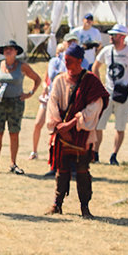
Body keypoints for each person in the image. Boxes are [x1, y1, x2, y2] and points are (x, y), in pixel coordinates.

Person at [44, 44, 109, 218]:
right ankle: (57, 204)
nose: (66, 64)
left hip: (82, 135)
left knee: (82, 170)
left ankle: (85, 207)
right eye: (65, 60)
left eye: (70, 61)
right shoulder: (59, 80)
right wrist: (59, 126)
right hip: (62, 136)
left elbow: (95, 106)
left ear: (80, 61)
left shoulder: (91, 81)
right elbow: (53, 103)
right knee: (62, 169)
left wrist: (71, 125)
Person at [0, 39, 41, 174]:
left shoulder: (22, 66)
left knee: (14, 133)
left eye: (11, 49)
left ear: (16, 51)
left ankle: (13, 163)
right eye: (6, 49)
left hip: (16, 103)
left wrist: (29, 93)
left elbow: (37, 79)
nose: (8, 51)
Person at [92, 23, 128, 166]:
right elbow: (96, 66)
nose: (110, 37)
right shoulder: (107, 50)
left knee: (120, 127)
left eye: (113, 35)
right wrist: (99, 85)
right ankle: (95, 153)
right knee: (99, 125)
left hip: (123, 93)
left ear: (121, 37)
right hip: (107, 92)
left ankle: (114, 155)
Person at [30, 32, 79, 165]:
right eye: (69, 42)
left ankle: (55, 154)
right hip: (49, 97)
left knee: (56, 128)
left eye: (74, 42)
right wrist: (45, 87)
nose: (70, 44)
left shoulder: (73, 61)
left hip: (62, 100)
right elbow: (47, 77)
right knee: (38, 123)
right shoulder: (54, 61)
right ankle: (34, 151)